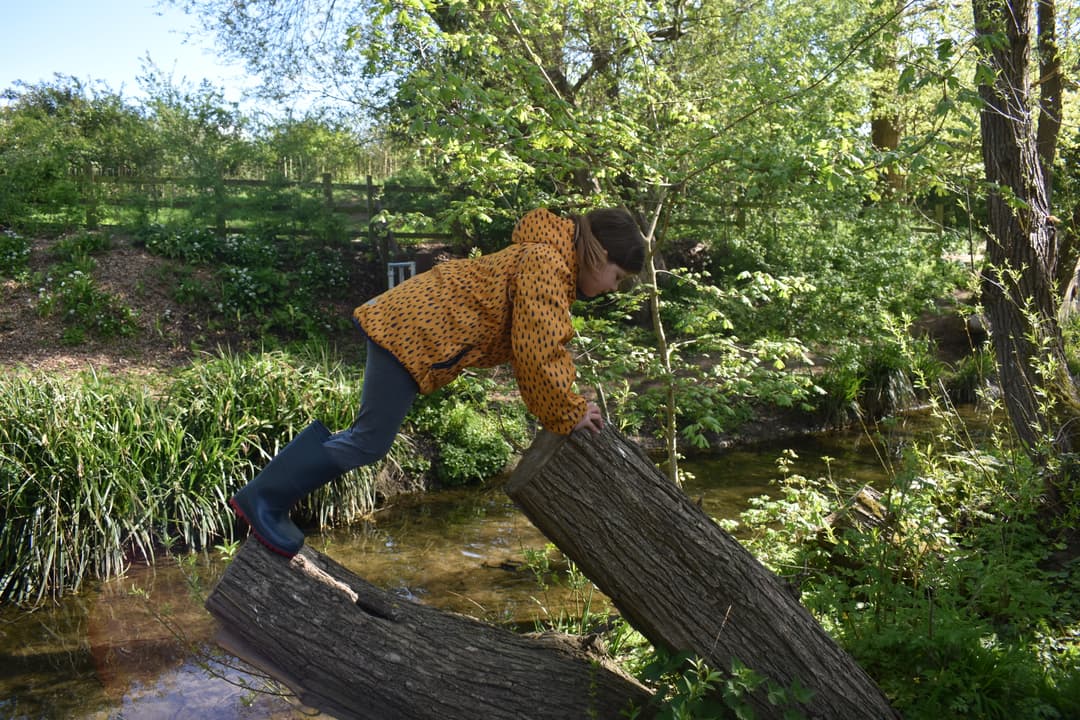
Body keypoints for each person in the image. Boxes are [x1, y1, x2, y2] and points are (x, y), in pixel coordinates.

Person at [229, 206, 647, 557]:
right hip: (412, 332)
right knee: (368, 441)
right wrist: (567, 410)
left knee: (365, 437)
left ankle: (268, 499)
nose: (614, 287)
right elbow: (538, 350)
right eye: (618, 276)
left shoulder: (547, 257)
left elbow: (542, 339)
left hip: (408, 325)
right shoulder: (549, 263)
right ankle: (263, 498)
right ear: (599, 253)